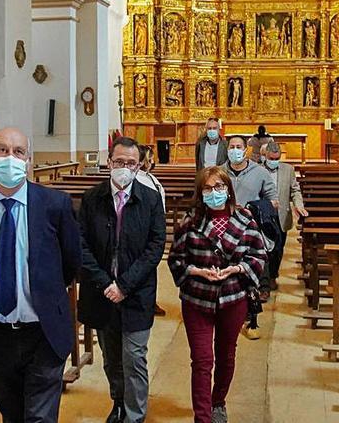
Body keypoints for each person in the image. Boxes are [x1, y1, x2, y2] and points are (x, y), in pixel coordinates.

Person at [0, 127, 82, 423]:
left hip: (43, 330)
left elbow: (72, 261)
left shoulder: (55, 205)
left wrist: (45, 292)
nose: (11, 157)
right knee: (12, 415)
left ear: (29, 161)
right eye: (2, 150)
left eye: (18, 152)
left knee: (39, 418)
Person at [78, 137, 167, 423]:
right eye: (119, 162)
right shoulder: (92, 199)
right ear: (109, 162)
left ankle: (134, 415)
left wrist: (124, 285)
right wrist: (106, 283)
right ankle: (118, 403)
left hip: (136, 293)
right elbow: (81, 245)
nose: (124, 168)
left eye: (130, 163)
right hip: (101, 293)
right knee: (111, 358)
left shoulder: (151, 198)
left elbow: (156, 246)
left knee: (134, 357)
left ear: (139, 165)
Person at [168, 166, 267, 423]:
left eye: (220, 187)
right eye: (209, 188)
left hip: (233, 298)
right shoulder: (189, 222)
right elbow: (176, 259)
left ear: (228, 190)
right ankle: (202, 417)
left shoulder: (245, 219)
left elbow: (258, 255)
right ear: (200, 193)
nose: (215, 192)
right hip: (197, 299)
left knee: (226, 355)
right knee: (201, 361)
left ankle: (218, 401)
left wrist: (236, 268)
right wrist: (197, 271)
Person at [221, 135, 277, 339]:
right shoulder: (219, 172)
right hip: (225, 229)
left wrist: (254, 208)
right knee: (228, 274)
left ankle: (251, 320)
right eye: (231, 147)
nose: (235, 150)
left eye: (238, 147)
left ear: (246, 149)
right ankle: (228, 314)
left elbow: (273, 200)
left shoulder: (260, 172)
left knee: (249, 275)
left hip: (250, 230)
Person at [260, 142, 307, 293]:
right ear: (265, 156)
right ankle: (264, 285)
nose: (273, 160)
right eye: (271, 158)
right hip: (263, 215)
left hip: (282, 215)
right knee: (263, 250)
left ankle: (273, 275)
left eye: (277, 158)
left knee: (277, 250)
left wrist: (298, 205)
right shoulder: (257, 169)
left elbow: (295, 190)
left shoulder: (288, 170)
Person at [136, 144, 167, 317]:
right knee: (145, 266)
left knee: (150, 266)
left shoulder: (149, 177)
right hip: (145, 228)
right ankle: (146, 302)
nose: (152, 161)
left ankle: (149, 301)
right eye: (150, 158)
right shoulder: (137, 179)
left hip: (155, 225)